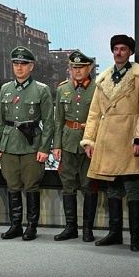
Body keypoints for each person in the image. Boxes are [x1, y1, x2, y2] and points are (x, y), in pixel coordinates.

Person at [81, 35, 139, 251]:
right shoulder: (103, 79)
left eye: (123, 49)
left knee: (132, 189)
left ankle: (135, 237)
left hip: (130, 139)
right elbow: (94, 113)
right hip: (107, 140)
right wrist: (89, 140)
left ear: (130, 52)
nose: (118, 52)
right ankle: (115, 234)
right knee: (112, 188)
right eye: (115, 49)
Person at [0, 46, 54, 241]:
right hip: (9, 144)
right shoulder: (5, 89)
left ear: (31, 66)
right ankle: (15, 225)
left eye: (23, 64)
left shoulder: (41, 90)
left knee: (31, 186)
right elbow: (0, 120)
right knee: (12, 186)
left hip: (31, 145)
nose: (19, 67)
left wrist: (44, 148)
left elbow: (49, 122)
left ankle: (31, 226)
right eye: (16, 64)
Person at [53, 50, 98, 242]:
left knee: (89, 186)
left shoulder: (97, 89)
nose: (77, 71)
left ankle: (88, 229)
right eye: (74, 67)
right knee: (68, 185)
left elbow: (101, 119)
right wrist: (57, 145)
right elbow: (58, 120)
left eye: (81, 67)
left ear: (89, 68)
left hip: (89, 144)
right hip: (68, 142)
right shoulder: (63, 89)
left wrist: (95, 142)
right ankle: (70, 227)